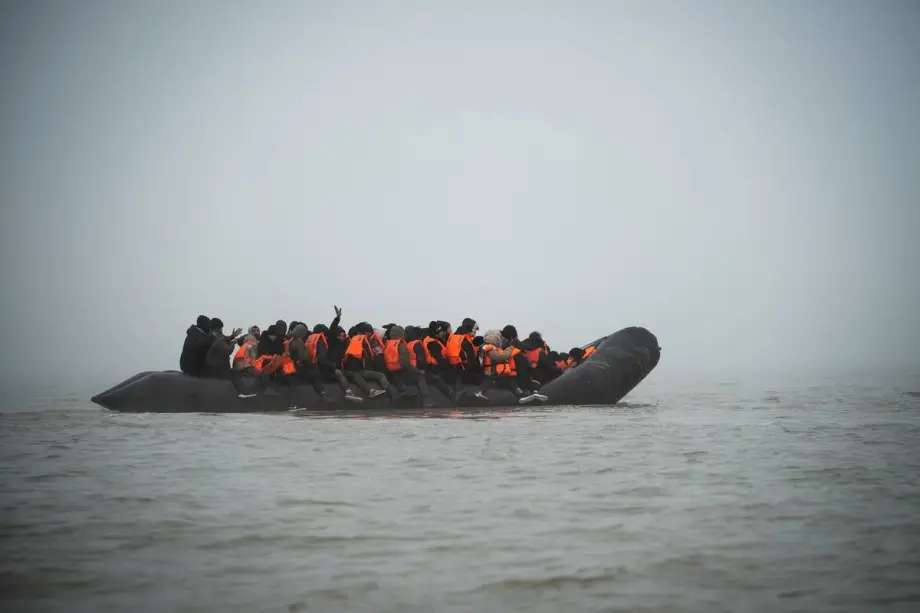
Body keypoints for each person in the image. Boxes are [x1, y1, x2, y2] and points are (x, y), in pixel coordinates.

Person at [480, 329, 547, 403]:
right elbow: (501, 357)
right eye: (499, 338)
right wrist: (509, 349)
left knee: (514, 382)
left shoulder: (494, 349)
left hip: (498, 375)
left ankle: (532, 393)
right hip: (495, 377)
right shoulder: (490, 349)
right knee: (512, 383)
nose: (501, 340)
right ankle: (521, 396)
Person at [305, 323, 363, 402]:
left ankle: (347, 392)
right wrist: (334, 368)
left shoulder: (312, 341)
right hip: (323, 370)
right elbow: (322, 359)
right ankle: (348, 393)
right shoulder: (321, 343)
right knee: (339, 374)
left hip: (316, 369)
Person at [203, 318, 256, 398]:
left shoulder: (215, 337)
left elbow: (224, 339)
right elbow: (228, 350)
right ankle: (242, 392)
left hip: (215, 366)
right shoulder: (218, 339)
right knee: (234, 374)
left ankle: (244, 391)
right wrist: (233, 343)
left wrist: (232, 336)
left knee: (234, 373)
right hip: (215, 368)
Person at [384, 325, 434, 406]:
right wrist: (416, 370)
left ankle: (402, 389)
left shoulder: (387, 344)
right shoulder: (401, 345)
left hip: (391, 371)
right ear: (401, 334)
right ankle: (426, 400)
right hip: (402, 370)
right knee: (420, 377)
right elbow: (405, 363)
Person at [342, 323, 392, 398]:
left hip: (352, 370)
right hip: (358, 371)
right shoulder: (361, 342)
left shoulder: (350, 341)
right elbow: (366, 360)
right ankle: (390, 395)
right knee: (381, 375)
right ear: (366, 333)